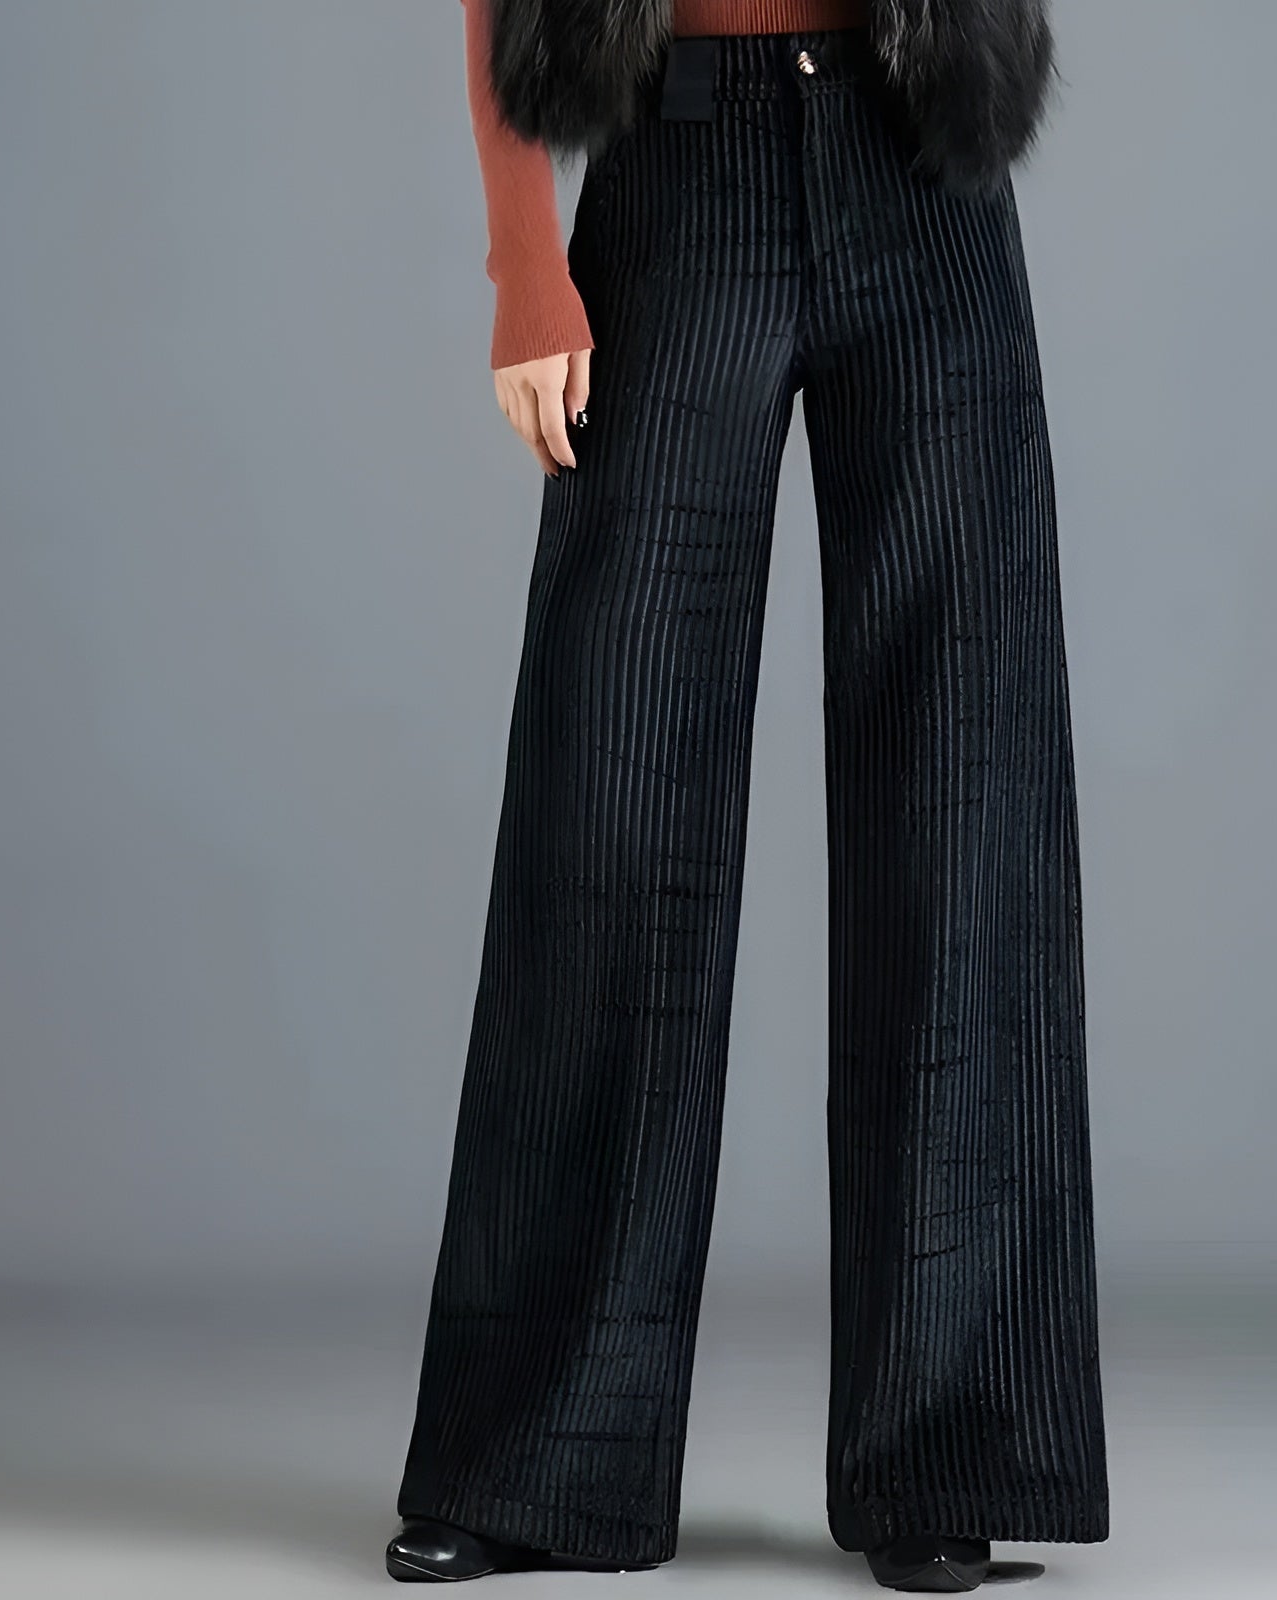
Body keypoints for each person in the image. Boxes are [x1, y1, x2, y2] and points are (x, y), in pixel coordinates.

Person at [386, 1, 1108, 1590]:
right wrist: (525, 261)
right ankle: (534, 1458)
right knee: (610, 789)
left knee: (968, 795)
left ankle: (954, 1451)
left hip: (923, 167)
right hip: (677, 158)